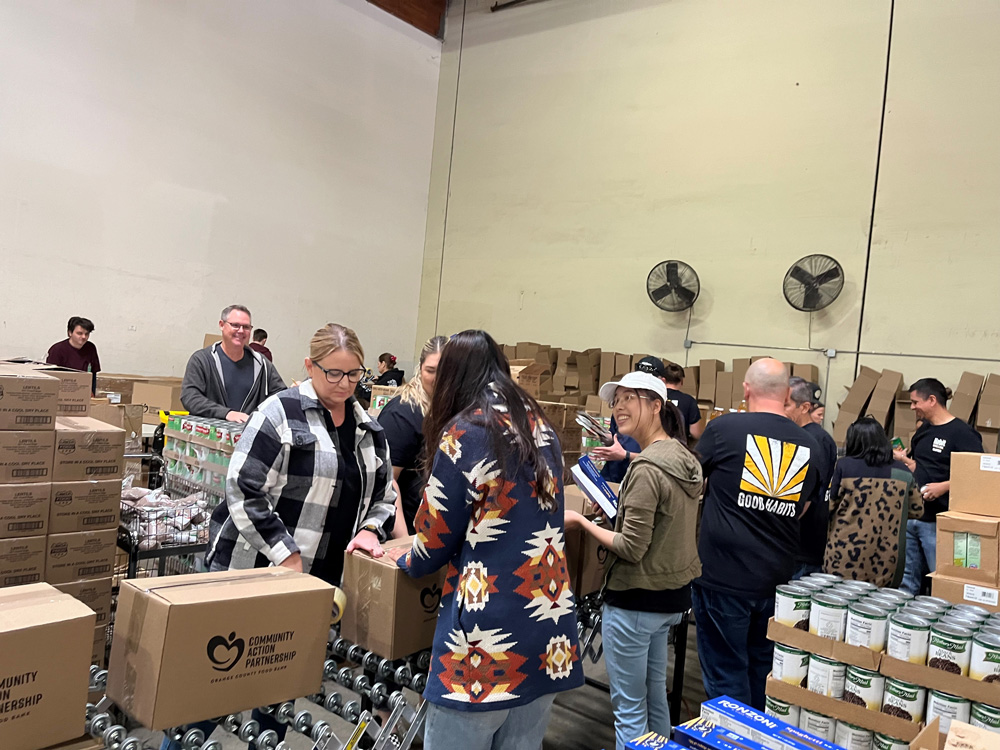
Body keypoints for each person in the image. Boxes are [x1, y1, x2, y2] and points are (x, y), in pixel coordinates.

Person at [166, 324, 396, 750]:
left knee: (281, 690)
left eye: (354, 375)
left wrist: (368, 530)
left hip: (318, 584)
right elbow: (243, 488)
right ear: (310, 366)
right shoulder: (279, 413)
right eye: (333, 373)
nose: (344, 385)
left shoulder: (369, 428)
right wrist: (285, 552)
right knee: (217, 687)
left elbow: (385, 497)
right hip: (255, 573)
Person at [390, 330, 583, 750]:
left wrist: (401, 560)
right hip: (548, 633)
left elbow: (435, 538)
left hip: (486, 644)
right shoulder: (539, 425)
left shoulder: (468, 431)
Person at [565, 371, 702, 750]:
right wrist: (617, 510)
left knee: (629, 710)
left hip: (636, 598)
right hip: (671, 596)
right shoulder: (681, 457)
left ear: (656, 405)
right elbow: (661, 523)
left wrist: (579, 521)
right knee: (654, 695)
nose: (619, 408)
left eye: (629, 398)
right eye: (616, 401)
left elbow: (630, 547)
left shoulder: (645, 468)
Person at [692, 358, 820, 710]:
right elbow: (803, 509)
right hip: (776, 580)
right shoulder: (811, 445)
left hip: (722, 578)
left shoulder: (724, 429)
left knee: (725, 675)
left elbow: (689, 481)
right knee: (763, 670)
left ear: (746, 389)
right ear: (786, 393)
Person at [896, 378, 983, 595]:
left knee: (941, 578)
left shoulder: (962, 434)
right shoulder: (923, 431)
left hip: (938, 522)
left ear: (932, 400)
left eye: (916, 402)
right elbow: (921, 465)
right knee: (908, 578)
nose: (912, 407)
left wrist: (944, 487)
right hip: (913, 516)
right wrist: (907, 463)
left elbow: (977, 475)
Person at [825, 417, 923, 587]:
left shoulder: (845, 466)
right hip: (886, 558)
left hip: (844, 553)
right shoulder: (902, 471)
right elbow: (917, 510)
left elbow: (829, 505)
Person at [378, 336, 447, 536]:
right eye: (431, 370)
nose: (439, 378)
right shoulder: (403, 412)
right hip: (409, 529)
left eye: (446, 372)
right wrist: (403, 541)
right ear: (420, 368)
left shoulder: (452, 409)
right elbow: (388, 481)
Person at [180, 305, 285, 423]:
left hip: (249, 437)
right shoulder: (202, 360)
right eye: (235, 325)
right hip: (209, 437)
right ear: (221, 325)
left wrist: (296, 392)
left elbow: (280, 396)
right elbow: (190, 397)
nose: (241, 331)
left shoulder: (262, 364)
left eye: (246, 327)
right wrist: (226, 413)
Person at [786, 378, 837, 578]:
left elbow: (812, 490)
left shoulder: (817, 440)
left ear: (804, 407)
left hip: (805, 541)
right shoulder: (794, 434)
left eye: (786, 405)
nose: (781, 411)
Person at [46, 316, 101, 393]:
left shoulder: (91, 348)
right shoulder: (57, 350)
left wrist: (92, 392)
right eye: (79, 333)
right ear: (70, 333)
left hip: (83, 390)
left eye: (86, 334)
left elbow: (93, 374)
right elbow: (51, 376)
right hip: (62, 390)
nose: (83, 337)